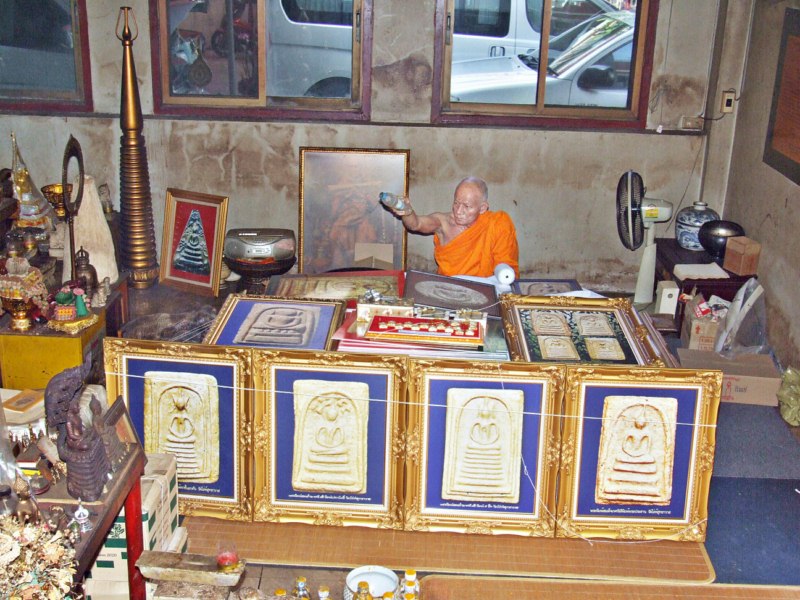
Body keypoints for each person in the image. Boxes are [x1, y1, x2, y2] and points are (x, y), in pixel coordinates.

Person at [386, 176, 519, 278]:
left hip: (484, 294)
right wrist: (407, 211)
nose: (458, 211)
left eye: (467, 206)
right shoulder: (444, 223)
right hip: (447, 291)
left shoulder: (498, 223)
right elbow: (416, 224)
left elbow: (505, 269)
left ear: (483, 208)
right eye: (456, 203)